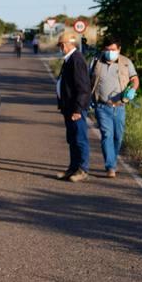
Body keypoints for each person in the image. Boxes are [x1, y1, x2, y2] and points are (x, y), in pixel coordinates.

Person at [90, 37, 140, 178]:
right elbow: (88, 79)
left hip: (119, 107)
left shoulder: (126, 63)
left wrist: (133, 90)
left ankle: (112, 160)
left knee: (118, 137)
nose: (110, 52)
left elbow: (135, 79)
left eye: (113, 50)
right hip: (101, 106)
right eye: (107, 49)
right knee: (107, 135)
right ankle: (110, 167)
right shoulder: (95, 61)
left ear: (119, 49)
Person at [55, 31, 90, 182]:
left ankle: (82, 169)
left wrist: (78, 109)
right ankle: (73, 168)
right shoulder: (69, 59)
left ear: (69, 45)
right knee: (72, 139)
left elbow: (83, 87)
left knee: (80, 138)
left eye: (61, 45)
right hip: (68, 107)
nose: (61, 48)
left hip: (75, 109)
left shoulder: (77, 60)